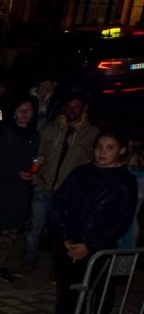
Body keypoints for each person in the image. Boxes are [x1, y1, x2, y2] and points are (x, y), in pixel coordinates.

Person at [44, 132, 138, 314]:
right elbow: (57, 204)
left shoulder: (125, 181)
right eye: (99, 147)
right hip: (68, 244)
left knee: (86, 294)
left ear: (121, 150)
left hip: (96, 248)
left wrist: (89, 245)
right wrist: (65, 237)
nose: (102, 152)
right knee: (65, 292)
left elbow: (121, 221)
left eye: (110, 147)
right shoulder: (80, 173)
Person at [23, 93, 99, 271]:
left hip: (68, 194)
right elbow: (35, 154)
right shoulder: (50, 128)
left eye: (76, 106)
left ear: (84, 108)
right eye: (69, 107)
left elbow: (93, 163)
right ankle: (28, 262)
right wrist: (34, 175)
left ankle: (58, 270)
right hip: (43, 186)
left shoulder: (92, 133)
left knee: (63, 234)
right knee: (34, 228)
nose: (72, 110)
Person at [0, 99, 39, 283]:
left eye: (28, 110)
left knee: (10, 231)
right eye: (20, 110)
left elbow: (33, 160)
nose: (24, 113)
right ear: (14, 113)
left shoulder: (35, 136)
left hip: (19, 191)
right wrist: (15, 172)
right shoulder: (3, 134)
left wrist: (35, 166)